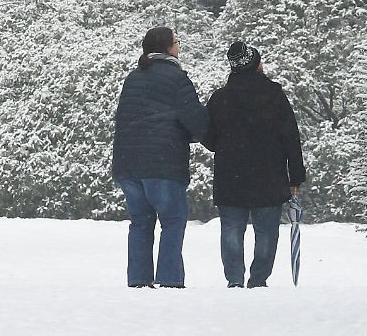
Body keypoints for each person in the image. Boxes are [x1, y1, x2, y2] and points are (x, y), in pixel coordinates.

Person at [202, 41, 306, 288]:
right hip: (269, 175)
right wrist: (296, 174)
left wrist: (225, 145)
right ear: (257, 66)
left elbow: (208, 136)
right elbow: (291, 136)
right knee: (267, 231)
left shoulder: (220, 98)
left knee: (231, 230)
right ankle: (258, 280)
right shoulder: (274, 96)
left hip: (230, 175)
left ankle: (234, 280)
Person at [111, 26, 208, 289]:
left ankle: (139, 279)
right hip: (163, 163)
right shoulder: (177, 79)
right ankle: (169, 279)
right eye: (177, 42)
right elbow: (194, 120)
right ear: (167, 48)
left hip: (128, 163)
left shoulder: (132, 78)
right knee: (173, 220)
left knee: (140, 223)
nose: (179, 47)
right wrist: (208, 135)